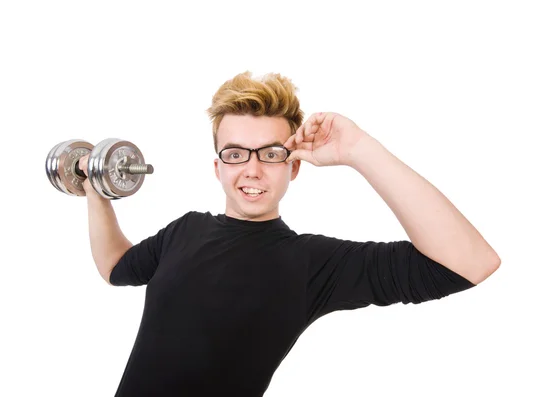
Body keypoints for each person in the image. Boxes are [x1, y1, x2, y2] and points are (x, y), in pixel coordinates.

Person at [78, 71, 501, 396]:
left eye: (272, 154)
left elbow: (471, 262)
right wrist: (93, 189)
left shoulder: (313, 263)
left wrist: (359, 149)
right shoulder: (185, 229)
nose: (253, 169)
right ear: (218, 166)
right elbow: (115, 266)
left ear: (294, 165)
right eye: (236, 153)